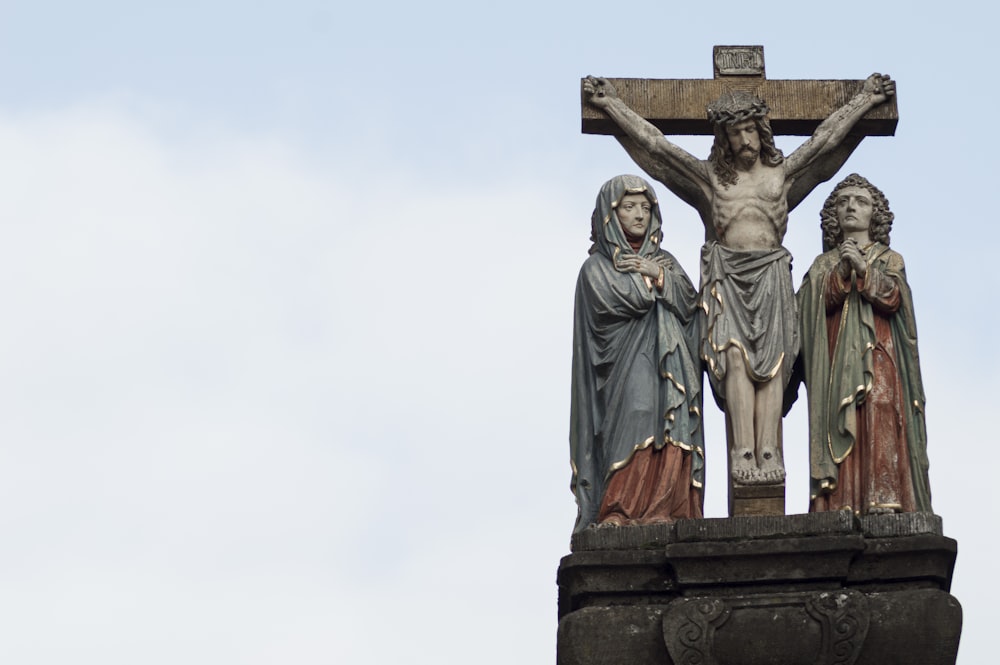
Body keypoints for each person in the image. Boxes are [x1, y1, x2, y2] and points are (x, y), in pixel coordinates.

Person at [582, 73, 896, 486]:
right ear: (723, 139)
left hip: (770, 275)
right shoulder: (712, 182)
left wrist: (865, 102)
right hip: (727, 276)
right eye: (734, 133)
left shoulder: (780, 176)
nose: (744, 140)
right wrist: (611, 108)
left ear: (761, 130)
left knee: (773, 367)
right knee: (734, 361)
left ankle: (769, 450)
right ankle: (742, 451)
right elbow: (657, 150)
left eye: (749, 130)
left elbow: (825, 142)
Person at [570, 175, 704, 532]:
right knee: (637, 415)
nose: (640, 215)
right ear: (610, 215)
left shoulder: (666, 261)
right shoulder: (596, 268)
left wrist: (657, 272)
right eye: (629, 207)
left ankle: (667, 507)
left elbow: (691, 305)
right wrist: (651, 285)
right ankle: (620, 509)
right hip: (624, 367)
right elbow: (623, 301)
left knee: (671, 423)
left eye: (645, 207)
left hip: (671, 359)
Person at [798, 174, 931, 514]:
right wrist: (841, 273)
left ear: (876, 214)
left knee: (881, 411)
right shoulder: (822, 264)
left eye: (860, 201)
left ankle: (884, 497)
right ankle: (841, 501)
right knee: (838, 420)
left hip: (880, 353)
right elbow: (809, 311)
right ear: (833, 215)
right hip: (834, 360)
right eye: (843, 202)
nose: (851, 207)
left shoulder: (890, 258)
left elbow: (895, 298)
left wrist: (864, 270)